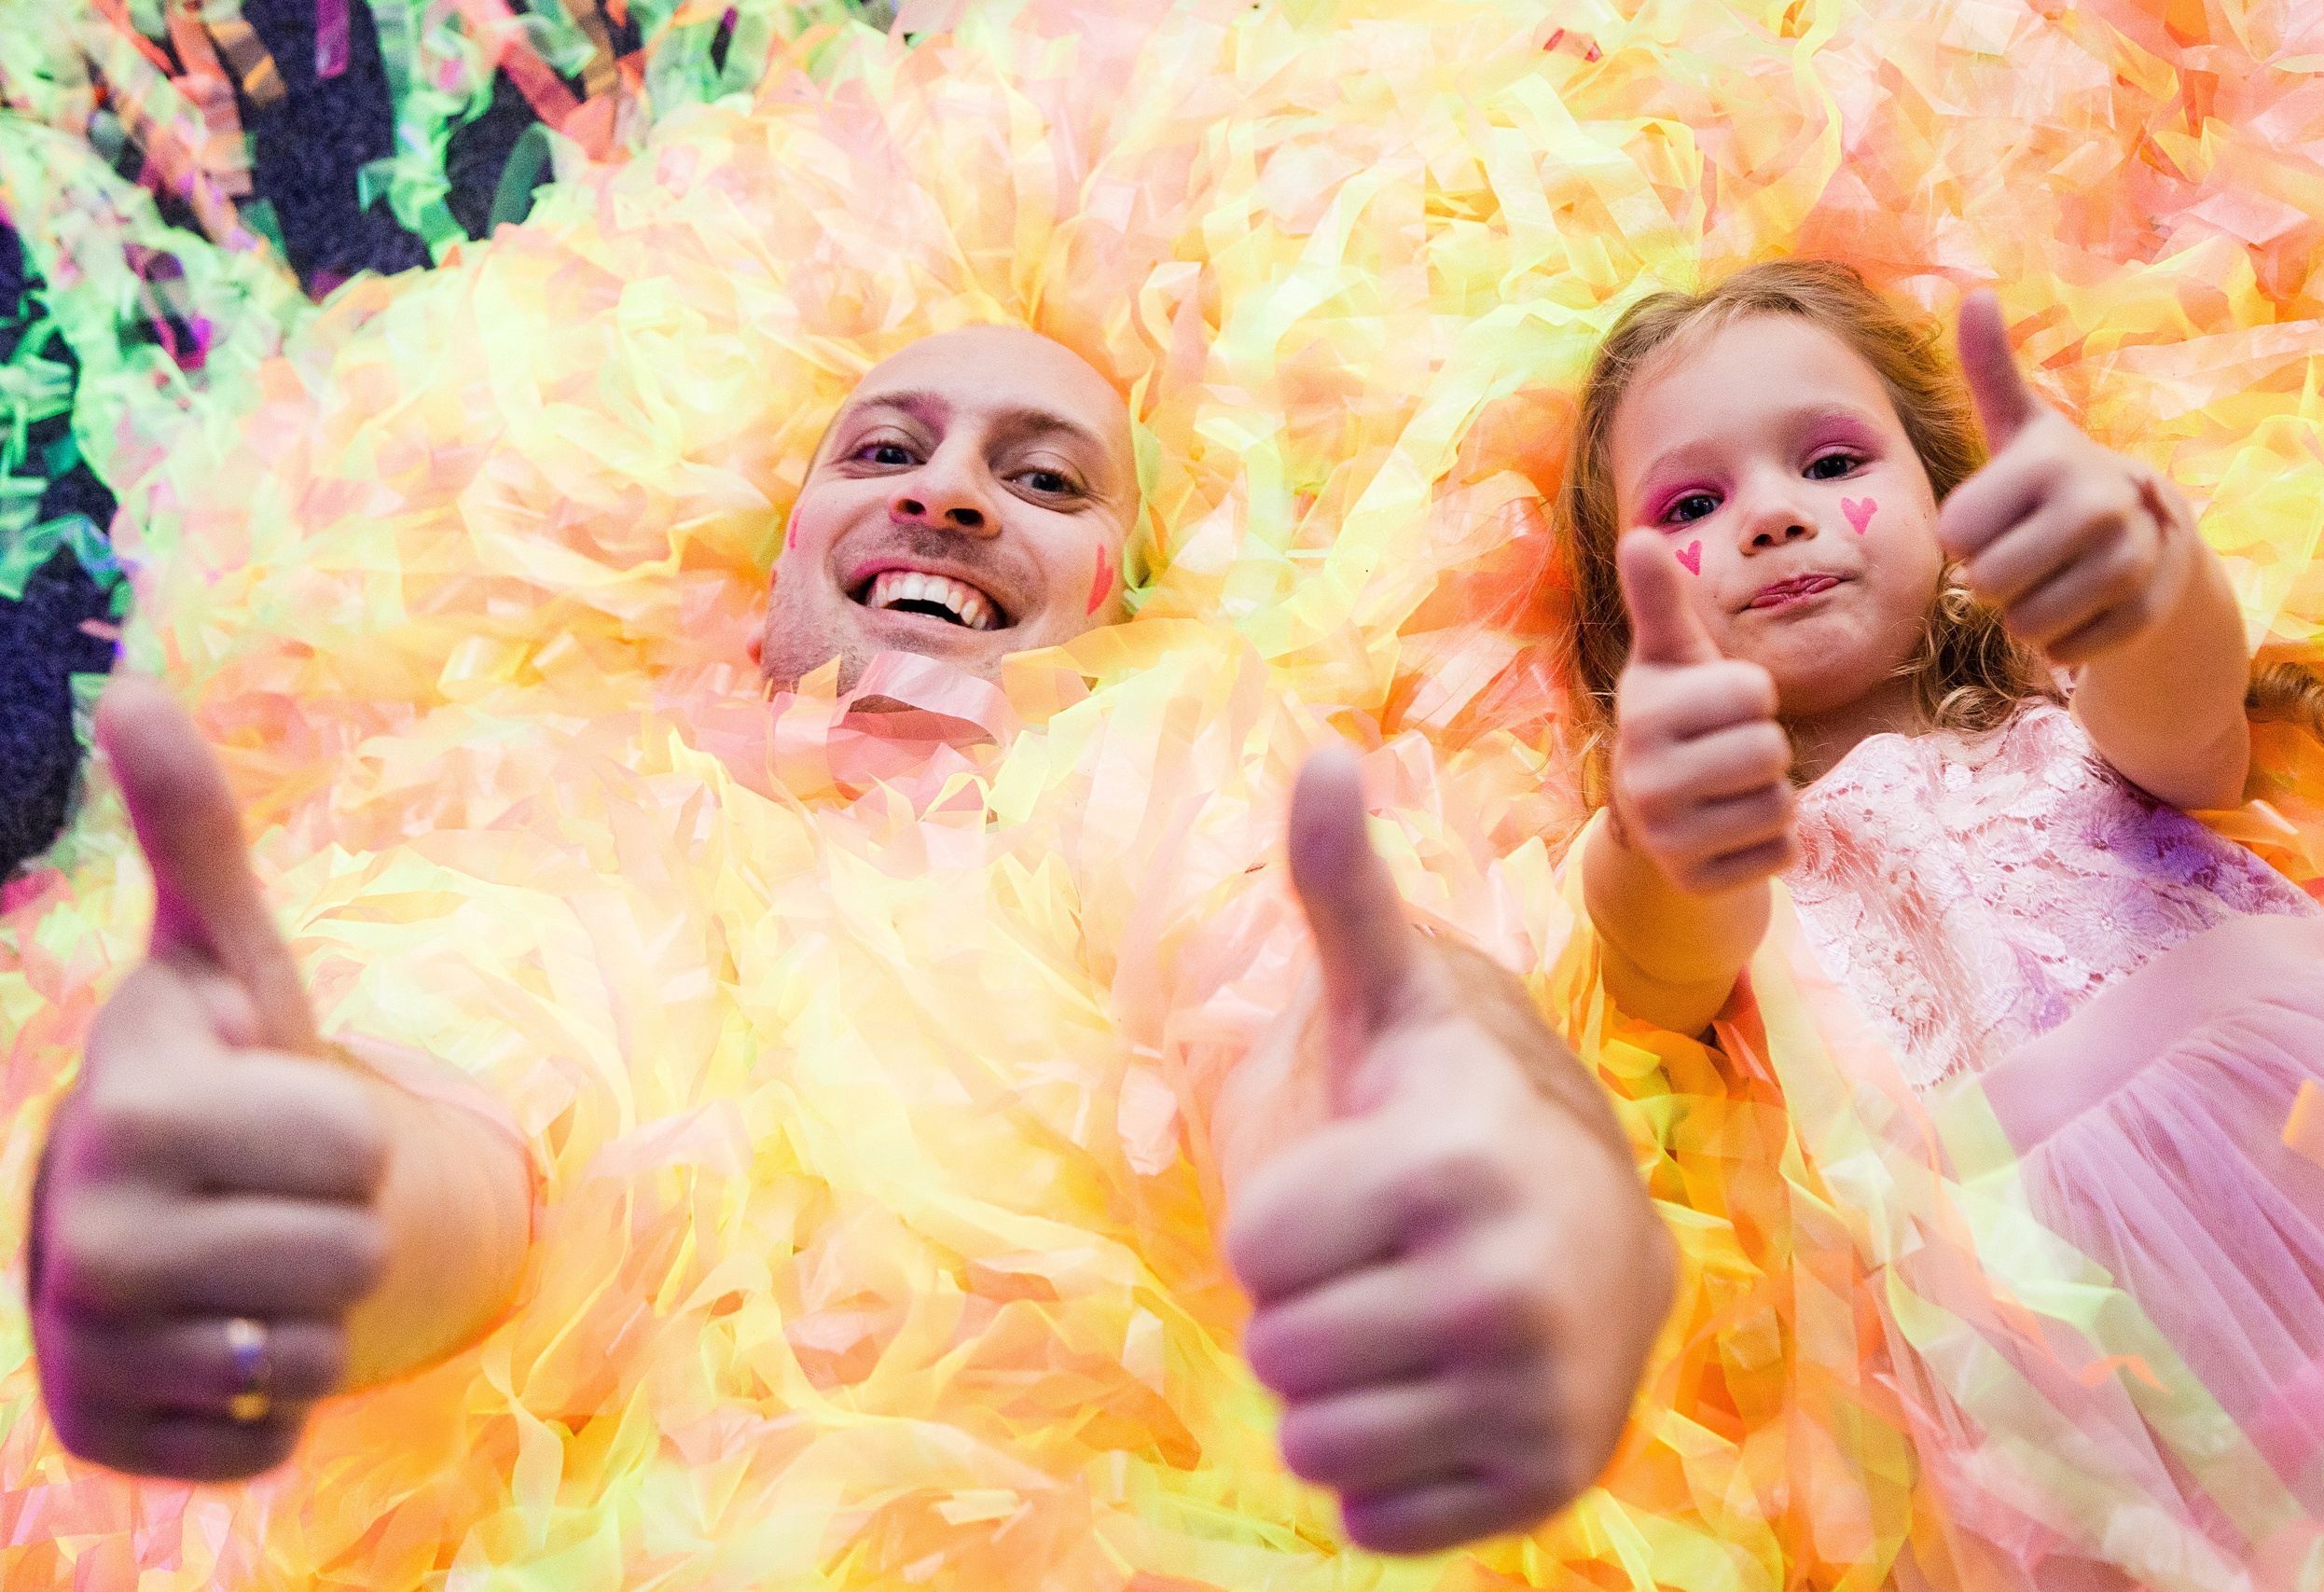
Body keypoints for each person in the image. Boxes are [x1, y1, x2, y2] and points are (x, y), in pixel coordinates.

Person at [30, 321, 1675, 1555]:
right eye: (886, 454)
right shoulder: (577, 798)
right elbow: (475, 1085)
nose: (949, 496)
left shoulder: (1165, 762)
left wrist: (1481, 1163)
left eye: (1042, 480)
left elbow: (1304, 992)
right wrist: (303, 1219)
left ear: (1123, 592)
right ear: (774, 569)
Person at [1559, 257, 2324, 1570]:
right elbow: (1653, 965)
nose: (1774, 517)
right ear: (1624, 624)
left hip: (2307, 1142)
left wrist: (2147, 572)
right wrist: (1664, 825)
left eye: (1832, 465)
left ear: (1948, 503)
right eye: (1695, 503)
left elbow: (2187, 719)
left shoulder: (2060, 705)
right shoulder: (1706, 849)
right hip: (2036, 1337)